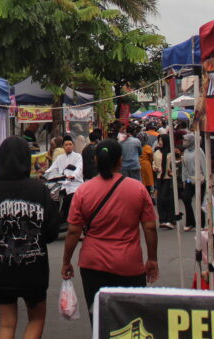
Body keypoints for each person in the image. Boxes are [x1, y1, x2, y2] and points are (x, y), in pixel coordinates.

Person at [0, 136, 60, 339]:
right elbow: (52, 229)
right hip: (34, 268)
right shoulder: (40, 190)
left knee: (6, 324)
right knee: (36, 319)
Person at [61, 140, 158, 312]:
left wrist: (66, 261)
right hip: (129, 263)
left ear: (96, 161)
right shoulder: (138, 189)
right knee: (131, 318)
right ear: (120, 161)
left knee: (99, 317)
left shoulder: (83, 191)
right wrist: (152, 259)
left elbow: (74, 231)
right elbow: (149, 227)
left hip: (93, 264)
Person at [43, 136, 83, 220]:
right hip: (62, 184)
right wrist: (44, 175)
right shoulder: (60, 158)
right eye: (66, 144)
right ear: (63, 147)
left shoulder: (77, 156)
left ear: (73, 146)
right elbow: (52, 168)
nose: (68, 146)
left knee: (70, 200)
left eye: (70, 144)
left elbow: (79, 168)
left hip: (75, 185)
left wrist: (73, 176)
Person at [179, 133, 206, 231]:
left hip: (200, 180)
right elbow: (184, 167)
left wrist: (206, 178)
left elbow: (204, 165)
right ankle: (190, 222)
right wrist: (184, 179)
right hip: (189, 179)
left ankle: (203, 224)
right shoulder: (185, 151)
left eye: (186, 140)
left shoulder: (199, 151)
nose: (184, 142)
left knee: (200, 201)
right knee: (185, 198)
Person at [152, 134, 177, 229]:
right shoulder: (156, 152)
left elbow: (176, 165)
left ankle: (170, 219)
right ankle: (162, 220)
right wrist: (154, 167)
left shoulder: (172, 153)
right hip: (159, 178)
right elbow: (154, 163)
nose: (160, 142)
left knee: (167, 199)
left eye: (162, 140)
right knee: (159, 199)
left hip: (168, 179)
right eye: (159, 139)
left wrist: (172, 170)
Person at [138, 132, 155, 196]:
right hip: (147, 165)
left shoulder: (138, 146)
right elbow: (151, 157)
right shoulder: (148, 147)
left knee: (142, 181)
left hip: (140, 164)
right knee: (148, 181)